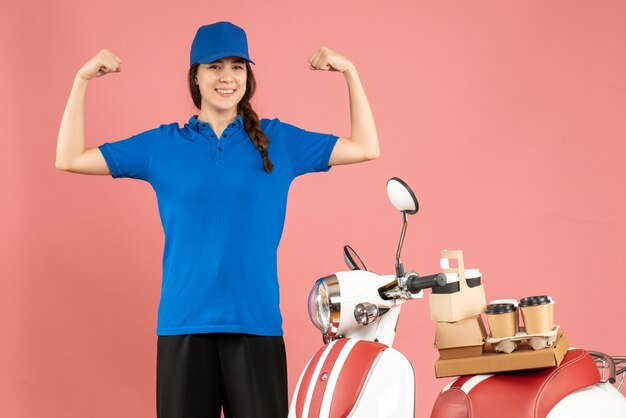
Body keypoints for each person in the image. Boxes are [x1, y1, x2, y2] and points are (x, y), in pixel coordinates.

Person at [56, 21, 379, 418]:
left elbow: (365, 147)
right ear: (195, 75)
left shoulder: (281, 140)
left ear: (248, 76)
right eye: (214, 66)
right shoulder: (163, 145)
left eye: (237, 66)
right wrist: (81, 80)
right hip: (184, 325)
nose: (227, 77)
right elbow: (69, 158)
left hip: (255, 324)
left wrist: (350, 72)